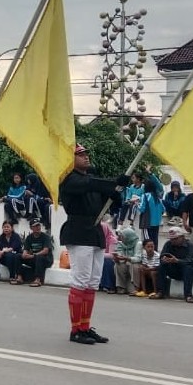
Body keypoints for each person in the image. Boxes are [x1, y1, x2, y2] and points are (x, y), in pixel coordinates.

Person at [59, 143, 126, 344]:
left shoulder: (92, 180)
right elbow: (89, 185)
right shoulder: (68, 179)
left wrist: (116, 192)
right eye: (80, 155)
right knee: (80, 281)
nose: (86, 157)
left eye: (86, 154)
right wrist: (113, 182)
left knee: (92, 282)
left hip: (95, 232)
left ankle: (85, 326)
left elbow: (112, 202)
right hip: (79, 231)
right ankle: (75, 330)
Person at [154, 226, 193, 302]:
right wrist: (165, 259)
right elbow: (162, 256)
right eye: (172, 239)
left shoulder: (191, 246)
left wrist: (177, 261)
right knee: (161, 267)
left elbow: (191, 261)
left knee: (187, 268)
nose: (173, 241)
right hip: (175, 269)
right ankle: (161, 292)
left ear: (182, 237)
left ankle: (188, 295)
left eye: (175, 239)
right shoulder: (168, 244)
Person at [18, 219, 53, 286]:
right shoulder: (29, 238)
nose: (38, 227)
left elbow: (45, 251)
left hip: (46, 259)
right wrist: (24, 255)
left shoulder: (46, 237)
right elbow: (25, 250)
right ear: (31, 228)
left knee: (39, 257)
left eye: (38, 225)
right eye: (35, 226)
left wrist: (33, 255)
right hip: (35, 258)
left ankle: (38, 279)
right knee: (18, 256)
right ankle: (19, 277)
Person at [112, 227, 142, 295]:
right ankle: (121, 286)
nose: (121, 238)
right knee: (118, 265)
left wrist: (127, 258)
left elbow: (138, 258)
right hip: (126, 262)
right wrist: (117, 258)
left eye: (122, 237)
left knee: (133, 264)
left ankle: (135, 287)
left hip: (135, 263)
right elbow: (120, 254)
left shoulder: (138, 243)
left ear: (129, 237)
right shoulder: (121, 244)